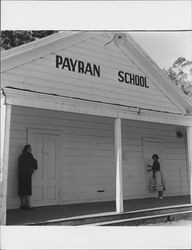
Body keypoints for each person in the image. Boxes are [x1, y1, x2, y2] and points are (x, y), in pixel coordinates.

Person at [18, 144, 38, 209]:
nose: (31, 149)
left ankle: (22, 204)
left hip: (20, 174)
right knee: (27, 189)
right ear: (27, 149)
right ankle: (28, 205)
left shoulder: (21, 156)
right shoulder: (30, 155)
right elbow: (34, 165)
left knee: (21, 188)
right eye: (30, 148)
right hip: (27, 175)